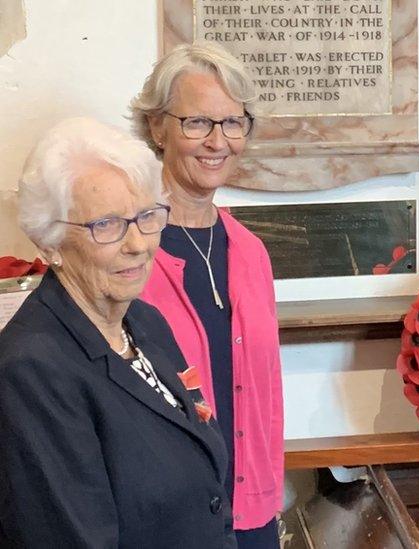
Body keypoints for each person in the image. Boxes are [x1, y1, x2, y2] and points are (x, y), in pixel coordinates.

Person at [0, 118, 234, 547]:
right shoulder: (30, 371)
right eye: (106, 224)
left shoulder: (145, 323)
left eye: (146, 216)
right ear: (49, 243)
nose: (139, 244)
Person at [130, 42, 283, 547]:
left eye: (233, 123)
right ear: (158, 127)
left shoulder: (251, 251)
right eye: (197, 122)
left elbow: (264, 393)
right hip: (166, 521)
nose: (217, 141)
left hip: (252, 511)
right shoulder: (129, 247)